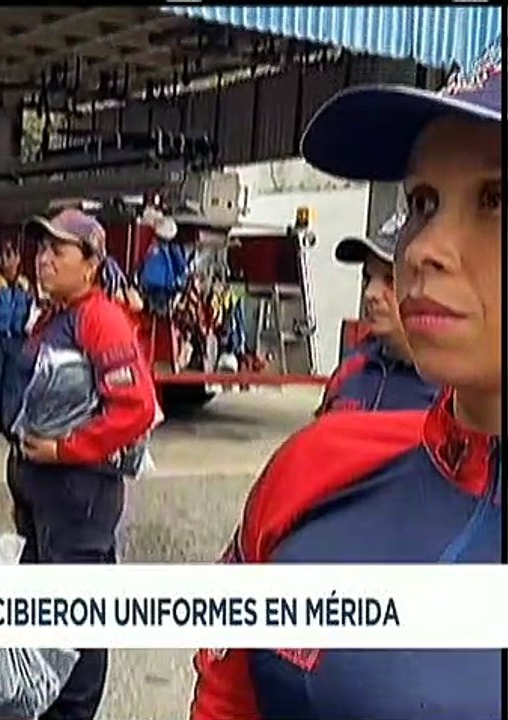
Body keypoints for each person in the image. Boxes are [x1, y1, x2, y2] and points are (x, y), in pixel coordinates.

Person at [190, 42, 502, 720]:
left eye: (495, 198)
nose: (423, 249)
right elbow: (224, 693)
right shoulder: (313, 471)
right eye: (423, 201)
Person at [11, 209, 158, 720]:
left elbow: (136, 407)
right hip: (46, 499)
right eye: (41, 249)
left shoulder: (100, 319)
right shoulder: (54, 317)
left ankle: (72, 711)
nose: (44, 260)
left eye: (58, 251)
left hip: (80, 493)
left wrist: (66, 449)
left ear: (91, 264)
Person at [317, 211, 439, 414]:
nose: (370, 293)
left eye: (390, 279)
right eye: (367, 278)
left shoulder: (457, 391)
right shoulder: (351, 368)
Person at [0, 237, 33, 435]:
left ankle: (9, 424)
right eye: (3, 255)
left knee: (13, 383)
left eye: (10, 255)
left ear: (18, 258)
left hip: (17, 339)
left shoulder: (25, 285)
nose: (6, 260)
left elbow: (34, 312)